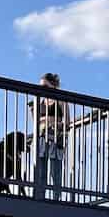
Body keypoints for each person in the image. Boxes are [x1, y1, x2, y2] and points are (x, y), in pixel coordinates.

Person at [29, 72, 69, 200]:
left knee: (55, 172)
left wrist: (55, 125)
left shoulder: (61, 100)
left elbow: (67, 122)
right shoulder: (40, 101)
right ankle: (39, 198)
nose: (42, 90)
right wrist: (33, 112)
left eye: (45, 86)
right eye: (41, 87)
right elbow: (36, 122)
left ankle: (55, 199)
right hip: (41, 137)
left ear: (53, 85)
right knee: (41, 171)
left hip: (55, 138)